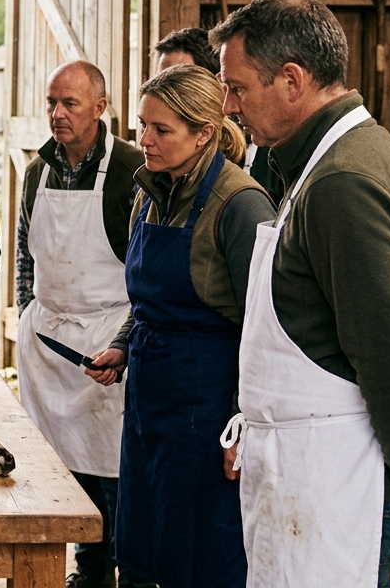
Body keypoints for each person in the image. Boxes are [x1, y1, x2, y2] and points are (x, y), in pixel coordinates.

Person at [212, 0, 390, 588]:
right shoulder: (314, 163)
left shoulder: (343, 181)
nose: (228, 105)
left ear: (292, 81)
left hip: (340, 479)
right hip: (306, 466)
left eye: (238, 88)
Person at [86, 64, 273, 588]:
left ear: (204, 133)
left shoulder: (241, 205)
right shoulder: (148, 192)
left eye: (161, 129)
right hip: (149, 391)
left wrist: (245, 422)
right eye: (142, 125)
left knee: (202, 546)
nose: (144, 140)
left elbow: (264, 327)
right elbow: (148, 300)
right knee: (145, 536)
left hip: (208, 402)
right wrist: (124, 344)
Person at [13, 61, 146, 588]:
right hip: (49, 341)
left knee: (116, 468)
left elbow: (145, 264)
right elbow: (27, 251)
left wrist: (125, 340)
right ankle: (88, 572)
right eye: (52, 102)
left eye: (70, 103)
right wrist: (28, 307)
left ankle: (130, 573)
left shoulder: (134, 169)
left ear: (100, 107)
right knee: (61, 466)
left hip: (107, 335)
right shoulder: (36, 171)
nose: (57, 113)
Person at [154, 27, 280, 201]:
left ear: (215, 83)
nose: (166, 94)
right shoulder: (159, 153)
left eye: (181, 82)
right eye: (161, 80)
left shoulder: (264, 144)